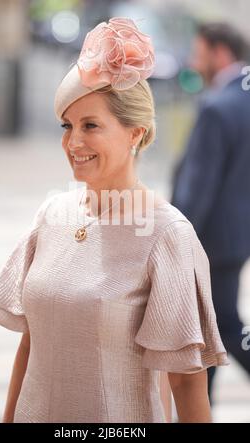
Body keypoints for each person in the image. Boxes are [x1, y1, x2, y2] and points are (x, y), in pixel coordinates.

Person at [0, 17, 229, 423]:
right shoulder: (52, 214)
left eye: (90, 126)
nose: (72, 142)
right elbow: (32, 343)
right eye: (67, 126)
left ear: (135, 133)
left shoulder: (167, 235)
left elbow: (186, 383)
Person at [171, 22, 250, 401]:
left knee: (222, 326)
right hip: (236, 236)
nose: (193, 62)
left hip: (210, 240)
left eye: (199, 53)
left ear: (220, 53)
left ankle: (199, 406)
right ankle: (201, 405)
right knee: (210, 328)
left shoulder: (217, 107)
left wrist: (174, 238)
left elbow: (196, 188)